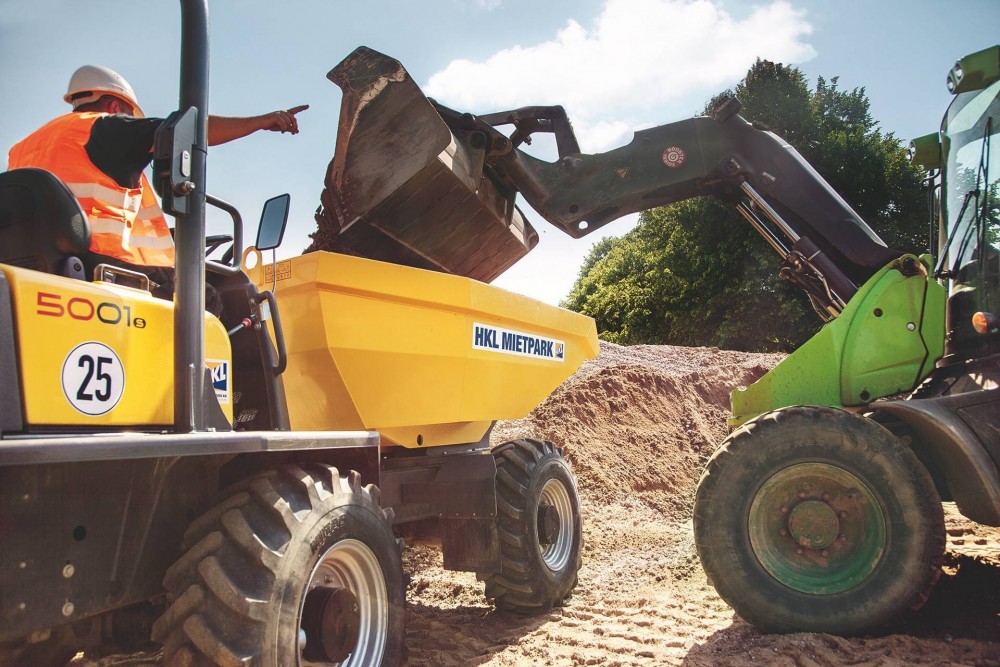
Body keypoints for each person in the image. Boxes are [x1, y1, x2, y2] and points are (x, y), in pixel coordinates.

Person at [7, 64, 308, 315]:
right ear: (115, 106)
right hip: (106, 266)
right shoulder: (105, 127)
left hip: (37, 269)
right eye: (128, 114)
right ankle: (200, 385)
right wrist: (262, 121)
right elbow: (188, 131)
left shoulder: (24, 147)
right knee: (210, 298)